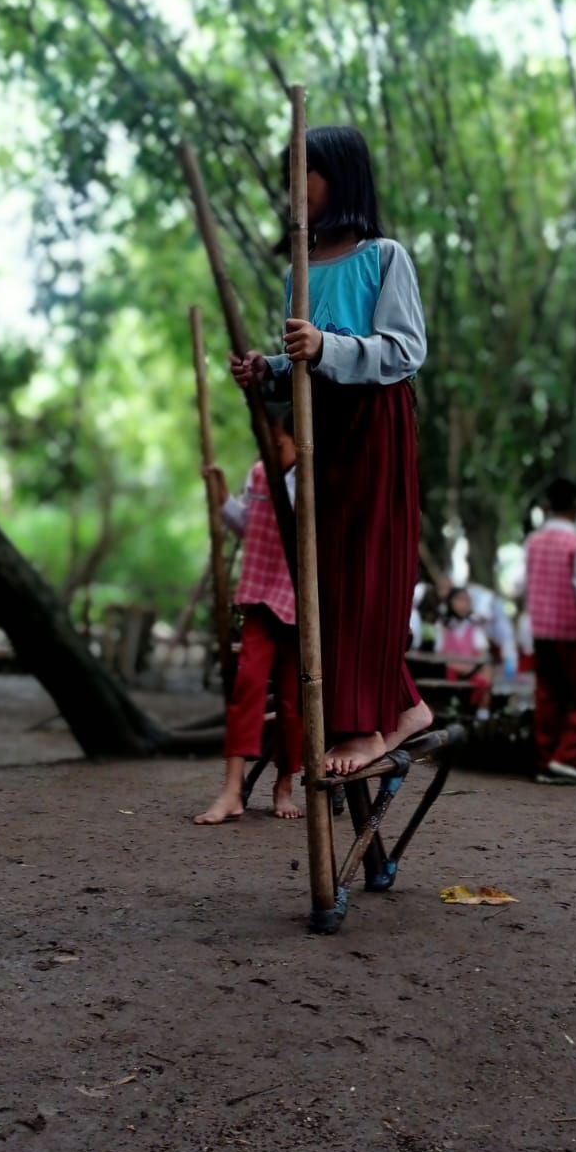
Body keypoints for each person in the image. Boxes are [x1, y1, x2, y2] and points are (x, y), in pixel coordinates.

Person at [231, 123, 432, 775]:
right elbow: (300, 366)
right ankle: (405, 707)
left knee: (371, 571)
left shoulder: (384, 257)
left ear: (338, 178)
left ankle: (369, 727)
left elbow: (405, 352)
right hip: (323, 430)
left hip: (375, 422)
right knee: (327, 578)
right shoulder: (300, 267)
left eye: (304, 173)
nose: (294, 188)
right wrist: (266, 369)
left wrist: (326, 348)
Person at [194, 407, 304, 825]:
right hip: (260, 596)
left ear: (299, 440)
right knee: (247, 687)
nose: (271, 453)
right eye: (266, 445)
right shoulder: (260, 474)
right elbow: (248, 525)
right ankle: (232, 790)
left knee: (295, 702)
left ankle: (284, 784)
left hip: (299, 606)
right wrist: (223, 496)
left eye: (278, 445)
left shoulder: (313, 479)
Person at [524, 477, 576, 787]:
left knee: (549, 695)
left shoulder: (533, 541)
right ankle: (569, 757)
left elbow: (526, 587)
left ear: (547, 507)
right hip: (571, 633)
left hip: (541, 631)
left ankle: (547, 760)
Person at [435, 586, 493, 710]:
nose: (463, 604)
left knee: (485, 682)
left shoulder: (474, 627)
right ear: (450, 602)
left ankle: (481, 716)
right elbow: (438, 653)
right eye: (458, 599)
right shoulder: (442, 626)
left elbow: (482, 653)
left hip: (470, 672)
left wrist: (473, 668)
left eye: (466, 600)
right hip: (447, 672)